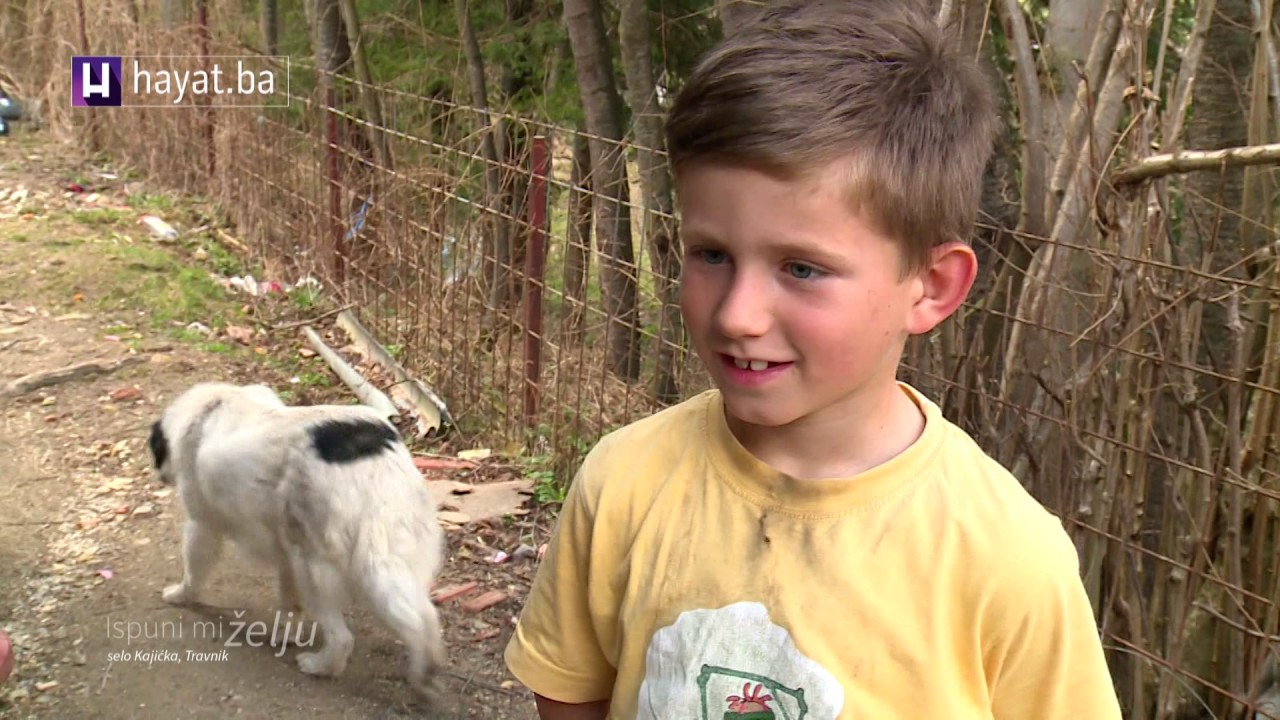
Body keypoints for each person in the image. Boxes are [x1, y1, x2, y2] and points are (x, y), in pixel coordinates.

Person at [504, 1, 1123, 718]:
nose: (737, 314)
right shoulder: (625, 483)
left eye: (800, 268)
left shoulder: (1006, 559)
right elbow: (570, 690)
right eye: (711, 254)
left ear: (931, 286)